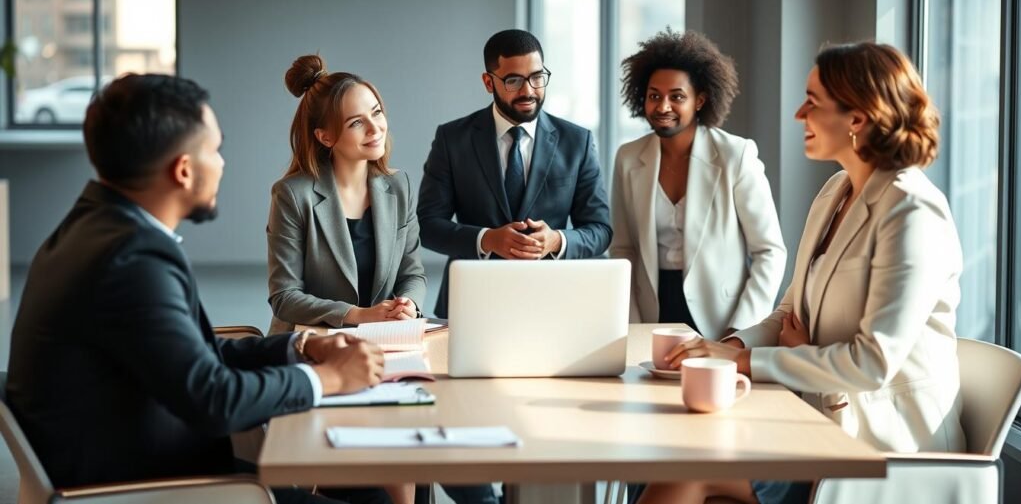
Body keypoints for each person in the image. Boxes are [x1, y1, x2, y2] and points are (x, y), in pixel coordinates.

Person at [5, 74, 405, 504]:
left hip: (143, 461)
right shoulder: (132, 260)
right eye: (214, 150)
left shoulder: (96, 227)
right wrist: (326, 378)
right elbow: (214, 400)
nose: (222, 163)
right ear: (183, 170)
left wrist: (301, 347)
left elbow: (194, 356)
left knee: (368, 492)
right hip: (147, 486)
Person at [640, 42, 966, 504]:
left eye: (812, 102)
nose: (798, 114)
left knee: (690, 474)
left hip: (880, 443)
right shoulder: (836, 190)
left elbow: (869, 365)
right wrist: (723, 349)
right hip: (816, 418)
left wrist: (745, 362)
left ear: (857, 118)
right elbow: (791, 309)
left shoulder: (912, 212)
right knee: (687, 458)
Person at [418, 29, 613, 317]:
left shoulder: (577, 142)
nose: (528, 91)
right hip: (471, 301)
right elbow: (427, 224)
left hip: (553, 304)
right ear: (488, 82)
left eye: (537, 77)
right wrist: (487, 239)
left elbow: (600, 230)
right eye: (513, 80)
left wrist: (556, 241)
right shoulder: (453, 139)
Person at [610, 30, 786, 338]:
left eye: (677, 96)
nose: (663, 106)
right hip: (650, 312)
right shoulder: (628, 158)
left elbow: (769, 251)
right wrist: (632, 324)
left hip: (721, 318)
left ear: (700, 100)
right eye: (654, 96)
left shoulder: (735, 156)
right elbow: (623, 249)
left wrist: (741, 329)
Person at [267, 55, 426, 335]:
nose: (375, 128)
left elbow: (412, 273)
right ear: (325, 137)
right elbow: (284, 297)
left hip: (384, 341)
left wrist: (408, 304)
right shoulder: (292, 195)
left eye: (376, 112)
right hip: (312, 344)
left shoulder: (400, 186)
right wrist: (359, 315)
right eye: (356, 123)